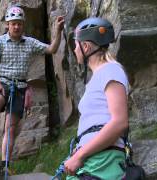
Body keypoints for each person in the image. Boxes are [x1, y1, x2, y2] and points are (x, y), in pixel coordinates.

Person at [0, 5, 64, 173]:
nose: (16, 26)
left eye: (19, 23)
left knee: (11, 128)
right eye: (13, 23)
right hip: (2, 82)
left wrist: (58, 31)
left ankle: (5, 164)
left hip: (20, 86)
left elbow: (51, 49)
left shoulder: (29, 43)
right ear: (7, 24)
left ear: (23, 25)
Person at [64, 17, 129, 179]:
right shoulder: (99, 76)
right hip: (94, 158)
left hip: (103, 160)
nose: (75, 50)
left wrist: (79, 156)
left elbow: (119, 122)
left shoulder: (111, 70)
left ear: (85, 46)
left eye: (76, 45)